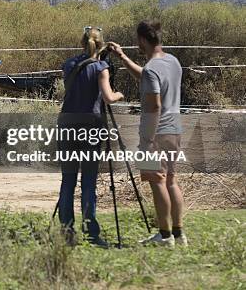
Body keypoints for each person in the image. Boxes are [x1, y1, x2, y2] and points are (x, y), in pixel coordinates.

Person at [108, 21, 186, 248]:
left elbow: (153, 106)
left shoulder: (152, 69)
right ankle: (178, 233)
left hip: (155, 133)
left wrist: (148, 142)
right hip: (174, 130)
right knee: (171, 180)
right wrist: (122, 57)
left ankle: (164, 235)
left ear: (143, 40)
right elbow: (146, 77)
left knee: (156, 182)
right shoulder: (172, 62)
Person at [57, 26, 123, 247]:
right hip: (90, 127)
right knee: (88, 181)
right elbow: (108, 97)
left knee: (68, 180)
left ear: (81, 43)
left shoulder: (68, 65)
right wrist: (119, 93)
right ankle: (91, 232)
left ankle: (67, 231)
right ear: (101, 44)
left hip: (67, 124)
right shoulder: (100, 67)